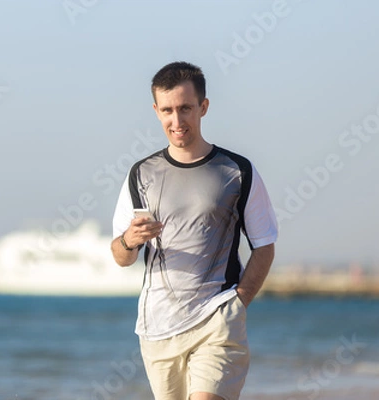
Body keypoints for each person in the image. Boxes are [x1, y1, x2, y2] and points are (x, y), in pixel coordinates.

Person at [110, 61, 278, 400]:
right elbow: (121, 257)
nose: (177, 120)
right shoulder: (140, 174)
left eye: (185, 108)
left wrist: (238, 302)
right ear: (156, 111)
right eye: (168, 110)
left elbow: (265, 244)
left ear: (203, 107)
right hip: (158, 328)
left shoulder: (237, 171)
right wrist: (130, 240)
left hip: (218, 319)